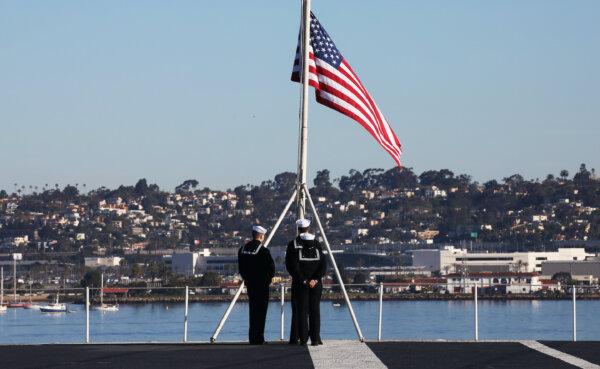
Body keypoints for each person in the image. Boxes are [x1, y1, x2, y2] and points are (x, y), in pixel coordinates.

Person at [285, 218, 327, 346]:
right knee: (315, 311)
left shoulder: (293, 245)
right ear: (309, 229)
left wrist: (304, 280)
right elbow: (323, 266)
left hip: (300, 285)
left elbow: (292, 266)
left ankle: (303, 338)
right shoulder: (317, 245)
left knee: (302, 312)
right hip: (316, 285)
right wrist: (315, 279)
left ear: (298, 229)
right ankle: (315, 338)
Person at [238, 225, 275, 345]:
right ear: (261, 236)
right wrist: (266, 281)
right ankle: (259, 338)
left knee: (252, 311)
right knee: (261, 312)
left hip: (250, 285)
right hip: (261, 286)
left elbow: (241, 268)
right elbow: (271, 269)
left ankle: (252, 338)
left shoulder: (242, 249)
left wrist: (247, 279)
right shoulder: (263, 251)